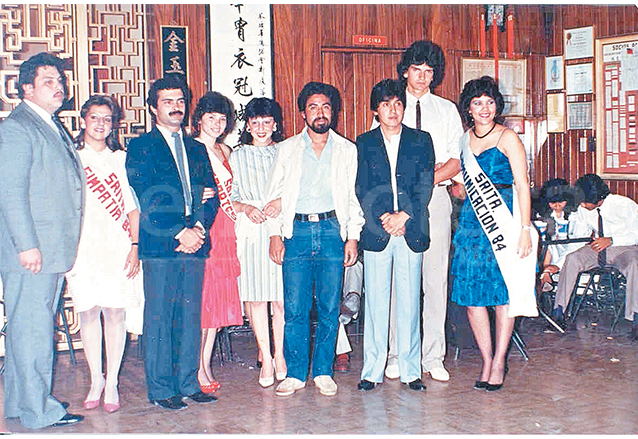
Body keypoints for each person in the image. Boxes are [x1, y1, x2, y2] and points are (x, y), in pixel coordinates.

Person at [0, 52, 85, 428]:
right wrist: (26, 245)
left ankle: (22, 404)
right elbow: (10, 191)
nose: (59, 87)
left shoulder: (48, 123)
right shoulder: (18, 127)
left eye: (60, 80)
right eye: (48, 81)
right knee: (32, 330)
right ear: (27, 88)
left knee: (28, 328)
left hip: (47, 247)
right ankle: (39, 411)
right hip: (32, 250)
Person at [264, 82, 364, 397]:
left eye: (325, 106)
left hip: (333, 230)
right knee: (295, 307)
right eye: (312, 107)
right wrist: (275, 234)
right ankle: (294, 373)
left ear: (332, 111)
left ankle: (323, 370)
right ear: (302, 112)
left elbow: (352, 198)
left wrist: (352, 237)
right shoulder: (287, 149)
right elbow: (273, 194)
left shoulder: (347, 150)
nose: (319, 113)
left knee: (329, 307)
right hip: (297, 233)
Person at [125, 74, 218, 410]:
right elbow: (148, 197)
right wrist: (182, 231)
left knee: (190, 316)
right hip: (162, 245)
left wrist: (198, 227)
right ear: (153, 107)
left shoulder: (196, 147)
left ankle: (188, 382)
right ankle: (162, 388)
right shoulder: (140, 147)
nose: (176, 107)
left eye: (180, 101)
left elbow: (211, 195)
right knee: (161, 317)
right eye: (168, 101)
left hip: (195, 244)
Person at [451, 76, 537, 392]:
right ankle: (485, 358)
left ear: (496, 106)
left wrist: (525, 230)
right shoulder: (464, 140)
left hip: (506, 218)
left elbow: (523, 186)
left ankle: (500, 359)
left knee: (503, 294)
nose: (484, 108)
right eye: (477, 103)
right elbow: (463, 184)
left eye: (489, 102)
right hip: (474, 223)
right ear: (468, 109)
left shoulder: (508, 138)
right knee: (473, 297)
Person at [385, 40, 464, 382]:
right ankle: (394, 353)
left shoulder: (446, 110)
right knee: (397, 279)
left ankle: (433, 356)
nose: (423, 77)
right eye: (417, 70)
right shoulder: (390, 105)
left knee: (435, 279)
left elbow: (455, 160)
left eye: (429, 71)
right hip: (395, 202)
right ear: (405, 71)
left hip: (435, 199)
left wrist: (422, 184)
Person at [356, 79, 435, 392]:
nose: (393, 110)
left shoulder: (421, 140)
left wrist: (405, 215)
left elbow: (426, 183)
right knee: (375, 303)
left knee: (409, 301)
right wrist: (384, 218)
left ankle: (410, 369)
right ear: (375, 109)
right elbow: (361, 186)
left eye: (398, 104)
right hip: (378, 230)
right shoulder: (364, 142)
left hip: (411, 227)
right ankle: (372, 371)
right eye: (386, 104)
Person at [65, 95, 143, 413]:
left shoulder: (122, 160)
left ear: (113, 124)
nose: (100, 124)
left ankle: (112, 381)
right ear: (84, 120)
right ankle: (95, 379)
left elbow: (133, 209)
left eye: (107, 119)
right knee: (87, 312)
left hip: (117, 245)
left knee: (114, 312)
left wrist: (135, 248)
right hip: (83, 247)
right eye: (95, 117)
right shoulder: (72, 158)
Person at [229, 97, 286, 387]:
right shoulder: (238, 155)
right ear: (247, 124)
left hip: (281, 227)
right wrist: (245, 208)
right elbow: (230, 194)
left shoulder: (284, 151)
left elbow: (295, 186)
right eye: (255, 122)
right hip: (252, 230)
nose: (261, 128)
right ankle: (264, 355)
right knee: (256, 296)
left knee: (281, 297)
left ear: (275, 124)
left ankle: (280, 355)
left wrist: (280, 200)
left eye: (266, 122)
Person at [192, 91, 243, 393]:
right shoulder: (190, 148)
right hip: (205, 229)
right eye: (211, 117)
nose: (216, 123)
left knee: (217, 304)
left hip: (227, 229)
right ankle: (197, 367)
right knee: (203, 301)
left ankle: (205, 364)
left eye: (222, 118)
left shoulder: (226, 150)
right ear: (199, 119)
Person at [553, 174, 638, 327]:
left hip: (625, 248)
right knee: (573, 258)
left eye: (585, 202)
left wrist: (612, 240)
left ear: (599, 199)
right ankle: (558, 312)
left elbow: (636, 235)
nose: (583, 206)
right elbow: (579, 238)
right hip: (597, 248)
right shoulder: (583, 208)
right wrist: (558, 265)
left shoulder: (625, 205)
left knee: (634, 265)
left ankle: (635, 318)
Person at [537, 178, 583, 291]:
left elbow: (578, 240)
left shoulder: (575, 216)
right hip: (550, 252)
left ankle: (545, 275)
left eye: (561, 201)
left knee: (553, 245)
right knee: (550, 245)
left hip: (570, 249)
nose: (557, 205)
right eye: (553, 202)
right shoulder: (543, 217)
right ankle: (546, 275)